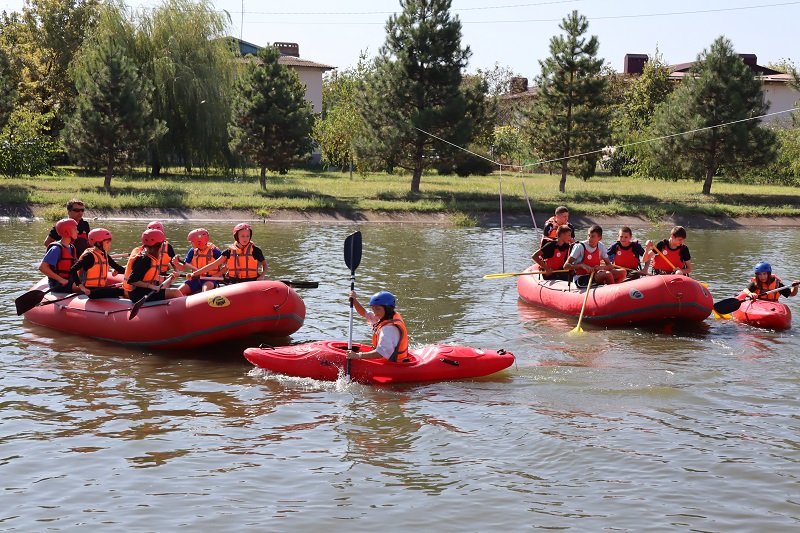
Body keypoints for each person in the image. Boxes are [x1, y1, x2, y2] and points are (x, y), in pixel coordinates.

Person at [188, 223, 267, 284]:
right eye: (242, 236)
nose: (245, 238)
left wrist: (262, 275)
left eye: (247, 236)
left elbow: (265, 265)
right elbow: (213, 265)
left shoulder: (256, 250)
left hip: (251, 281)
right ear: (237, 237)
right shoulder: (229, 251)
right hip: (232, 282)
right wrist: (195, 274)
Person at [346, 291, 409, 363]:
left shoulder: (389, 329)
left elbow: (380, 353)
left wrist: (358, 356)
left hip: (393, 364)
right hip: (388, 356)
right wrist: (354, 301)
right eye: (373, 309)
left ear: (387, 308)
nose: (375, 314)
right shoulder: (387, 316)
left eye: (377, 309)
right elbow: (365, 313)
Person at [122, 229, 183, 302]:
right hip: (138, 294)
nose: (164, 245)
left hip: (148, 289)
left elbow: (149, 276)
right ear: (158, 245)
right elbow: (132, 280)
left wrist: (165, 278)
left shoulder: (151, 257)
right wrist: (151, 286)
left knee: (171, 290)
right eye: (162, 243)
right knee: (175, 292)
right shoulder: (144, 259)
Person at [69, 228, 126, 299]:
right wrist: (82, 288)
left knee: (121, 292)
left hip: (102, 288)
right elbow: (73, 270)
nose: (110, 245)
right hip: (92, 291)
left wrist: (130, 274)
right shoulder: (89, 256)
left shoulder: (104, 254)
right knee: (123, 291)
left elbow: (117, 267)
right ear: (98, 243)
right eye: (107, 242)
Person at [178, 228, 225, 295]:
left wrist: (217, 275)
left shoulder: (215, 251)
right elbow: (182, 268)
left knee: (205, 290)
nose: (191, 243)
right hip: (195, 279)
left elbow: (227, 266)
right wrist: (176, 263)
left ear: (199, 242)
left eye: (192, 241)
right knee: (178, 291)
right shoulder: (192, 251)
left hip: (209, 279)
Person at [39, 218, 80, 293]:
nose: (77, 231)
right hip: (58, 284)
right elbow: (42, 267)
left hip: (69, 280)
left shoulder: (71, 247)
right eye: (75, 230)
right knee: (85, 286)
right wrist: (61, 280)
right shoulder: (56, 249)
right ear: (67, 233)